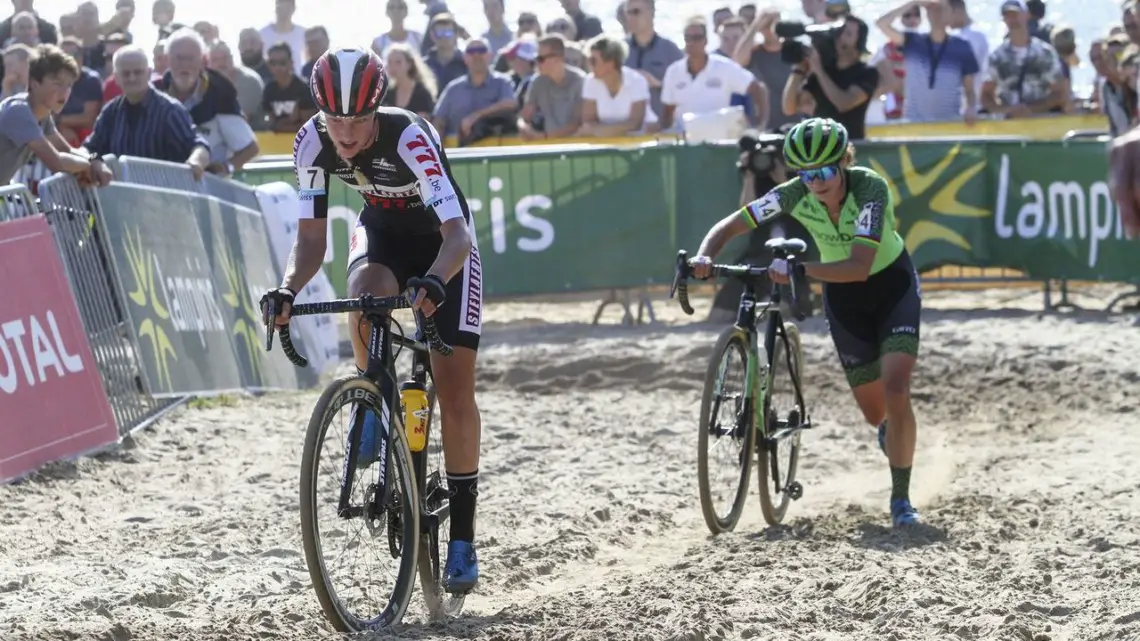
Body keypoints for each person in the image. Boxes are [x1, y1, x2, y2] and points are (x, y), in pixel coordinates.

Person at [259, 46, 484, 594]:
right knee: (364, 290)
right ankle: (370, 403)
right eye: (336, 118)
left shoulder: (408, 136)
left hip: (442, 246)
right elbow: (311, 240)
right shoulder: (311, 141)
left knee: (454, 394)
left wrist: (434, 280)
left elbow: (457, 235)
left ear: (377, 110)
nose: (347, 131)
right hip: (380, 234)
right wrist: (288, 287)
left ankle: (462, 538)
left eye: (358, 119)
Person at [689, 117, 923, 528]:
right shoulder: (794, 193)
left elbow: (860, 267)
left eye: (825, 171)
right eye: (806, 173)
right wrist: (705, 255)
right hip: (844, 298)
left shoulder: (869, 188)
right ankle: (892, 430)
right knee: (875, 414)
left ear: (844, 161)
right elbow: (733, 223)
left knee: (896, 387)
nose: (816, 181)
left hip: (889, 286)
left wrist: (798, 270)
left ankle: (901, 500)